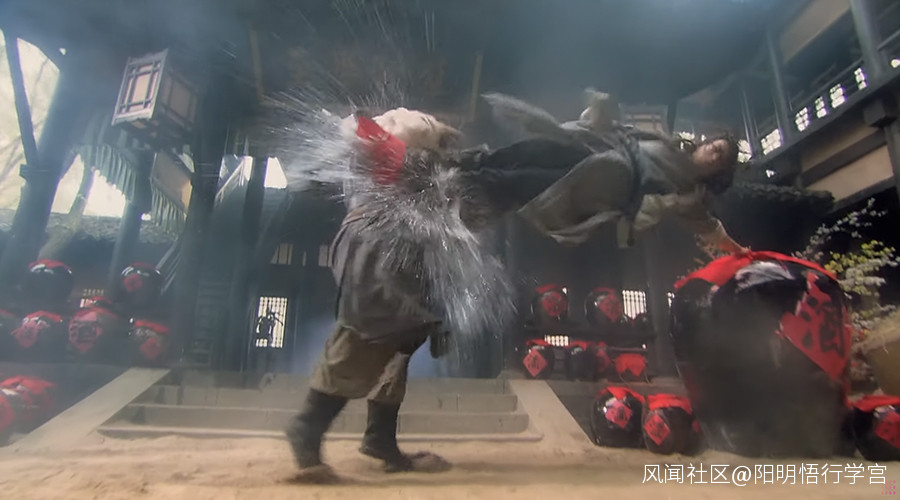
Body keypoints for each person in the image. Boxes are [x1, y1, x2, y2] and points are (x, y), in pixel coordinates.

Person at [285, 108, 461, 482]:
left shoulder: (404, 156)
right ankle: (307, 428)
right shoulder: (389, 152)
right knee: (364, 335)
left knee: (402, 340)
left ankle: (380, 437)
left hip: (399, 249)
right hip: (376, 248)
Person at [475, 90, 750, 256]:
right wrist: (602, 116)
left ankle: (470, 190)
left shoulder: (690, 196)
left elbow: (713, 230)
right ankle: (471, 165)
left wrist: (739, 251)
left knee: (523, 182)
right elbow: (623, 130)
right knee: (527, 152)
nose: (712, 153)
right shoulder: (669, 143)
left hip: (600, 186)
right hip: (591, 148)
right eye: (715, 146)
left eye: (720, 157)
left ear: (718, 172)